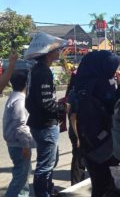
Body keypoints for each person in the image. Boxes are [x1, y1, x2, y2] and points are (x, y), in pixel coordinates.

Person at [74, 51, 120, 197]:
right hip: (105, 142)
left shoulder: (82, 82)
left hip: (89, 139)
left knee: (98, 181)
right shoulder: (102, 85)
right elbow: (119, 109)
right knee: (106, 184)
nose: (114, 70)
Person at [24, 33, 69, 197]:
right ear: (48, 52)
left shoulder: (35, 70)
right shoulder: (43, 73)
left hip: (39, 123)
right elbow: (47, 103)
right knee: (45, 164)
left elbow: (33, 100)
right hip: (46, 125)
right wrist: (64, 107)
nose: (59, 52)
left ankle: (48, 188)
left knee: (51, 160)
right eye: (56, 50)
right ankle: (43, 193)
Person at [3, 70, 36, 197]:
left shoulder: (14, 96)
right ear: (27, 83)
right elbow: (21, 126)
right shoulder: (20, 101)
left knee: (24, 175)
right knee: (20, 178)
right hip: (19, 145)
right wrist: (26, 146)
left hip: (16, 144)